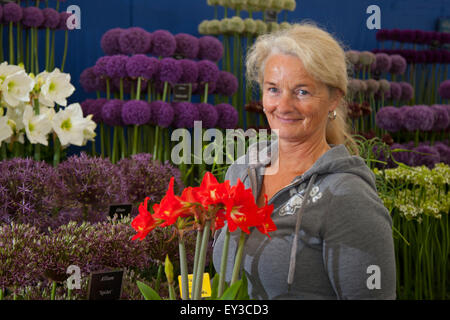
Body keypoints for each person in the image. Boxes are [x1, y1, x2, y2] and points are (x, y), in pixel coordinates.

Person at [212, 22, 396, 300]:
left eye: (302, 92)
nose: (283, 106)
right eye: (273, 89)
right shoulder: (243, 169)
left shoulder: (348, 197)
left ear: (334, 98)